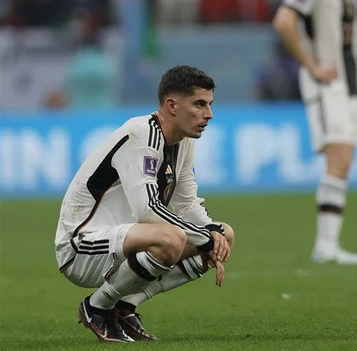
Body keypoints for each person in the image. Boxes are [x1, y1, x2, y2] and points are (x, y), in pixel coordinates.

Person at [54, 65, 234, 343]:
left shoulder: (182, 142)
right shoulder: (141, 134)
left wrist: (213, 235)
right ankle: (97, 307)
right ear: (172, 105)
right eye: (199, 104)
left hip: (125, 240)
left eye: (209, 104)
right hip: (81, 247)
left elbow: (187, 204)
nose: (208, 114)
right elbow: (147, 209)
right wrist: (204, 239)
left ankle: (125, 306)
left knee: (224, 232)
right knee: (173, 238)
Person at [272, 0, 357, 265]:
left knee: (344, 159)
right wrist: (310, 65)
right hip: (326, 81)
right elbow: (284, 21)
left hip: (352, 81)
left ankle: (329, 244)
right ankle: (325, 245)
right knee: (339, 156)